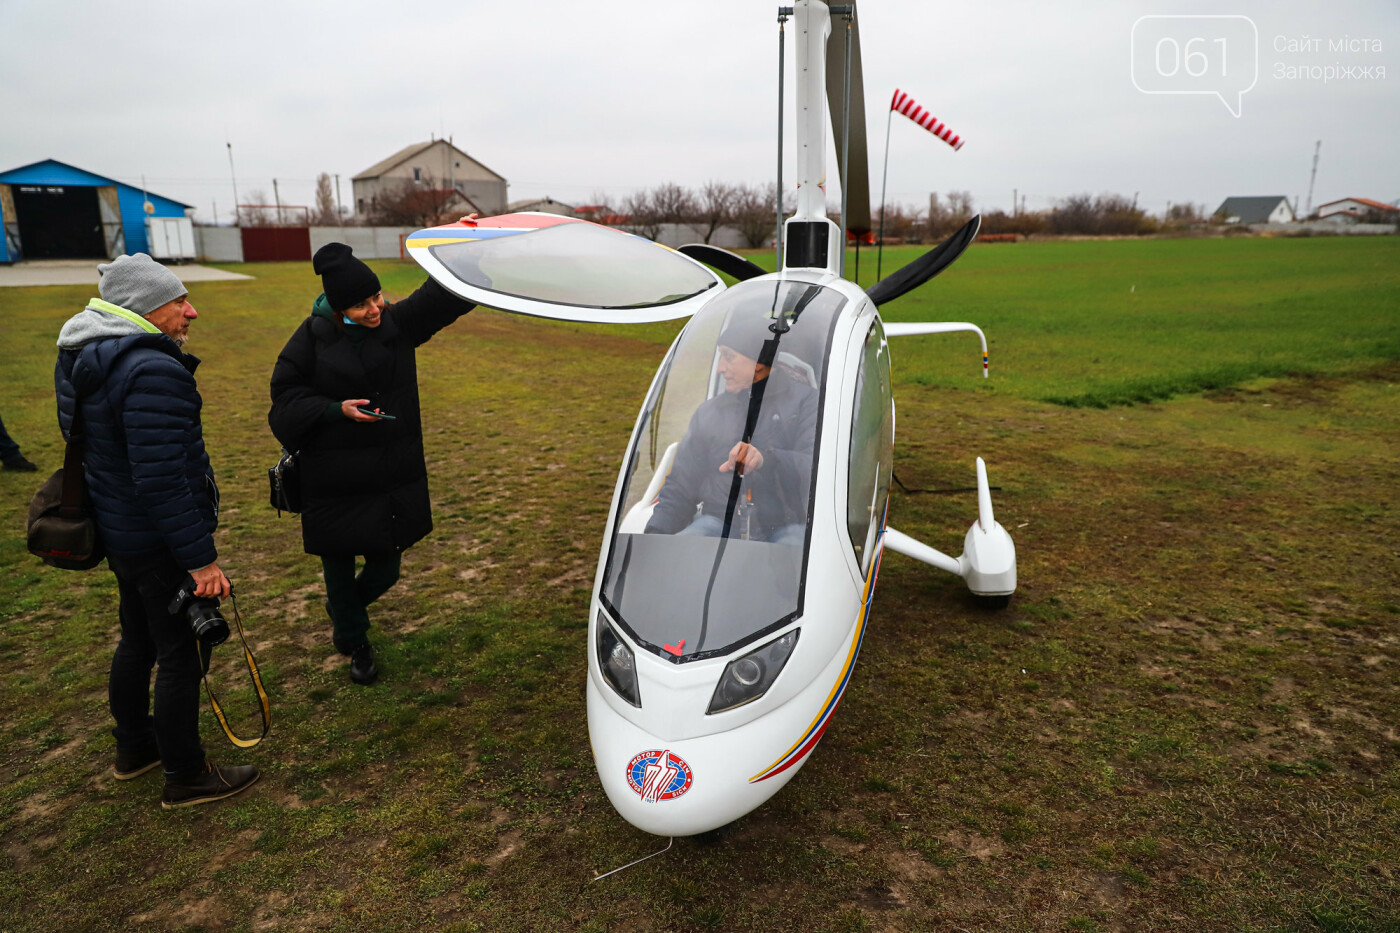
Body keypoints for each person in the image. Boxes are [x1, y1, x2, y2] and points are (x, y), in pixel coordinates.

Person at [54, 253, 258, 808]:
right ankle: (186, 774)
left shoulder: (83, 354)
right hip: (156, 539)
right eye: (179, 302)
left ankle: (136, 747)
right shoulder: (151, 369)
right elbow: (163, 479)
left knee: (138, 640)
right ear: (143, 309)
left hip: (120, 531)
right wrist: (200, 562)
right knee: (180, 655)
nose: (192, 312)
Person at [269, 242, 475, 685]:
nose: (375, 308)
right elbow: (284, 402)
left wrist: (471, 257)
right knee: (338, 567)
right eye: (361, 305)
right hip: (332, 475)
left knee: (387, 567)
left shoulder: (395, 324)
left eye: (376, 296)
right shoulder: (309, 338)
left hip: (384, 473)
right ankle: (355, 640)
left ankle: (345, 611)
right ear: (340, 308)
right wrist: (334, 409)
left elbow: (442, 299)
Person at [644, 313, 818, 545]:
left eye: (729, 357)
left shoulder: (808, 403)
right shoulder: (709, 412)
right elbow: (680, 485)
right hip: (719, 524)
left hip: (787, 526)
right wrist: (654, 537)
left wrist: (767, 459)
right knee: (680, 561)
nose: (720, 369)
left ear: (759, 362)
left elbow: (818, 469)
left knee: (793, 561)